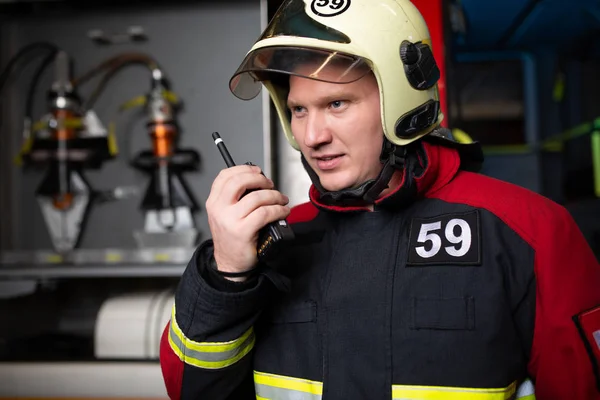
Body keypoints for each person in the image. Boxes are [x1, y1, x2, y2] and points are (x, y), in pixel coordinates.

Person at [159, 0, 600, 398]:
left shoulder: (532, 230)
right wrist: (226, 277)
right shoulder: (275, 244)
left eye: (336, 103)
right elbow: (194, 392)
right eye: (298, 110)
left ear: (400, 100)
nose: (312, 137)